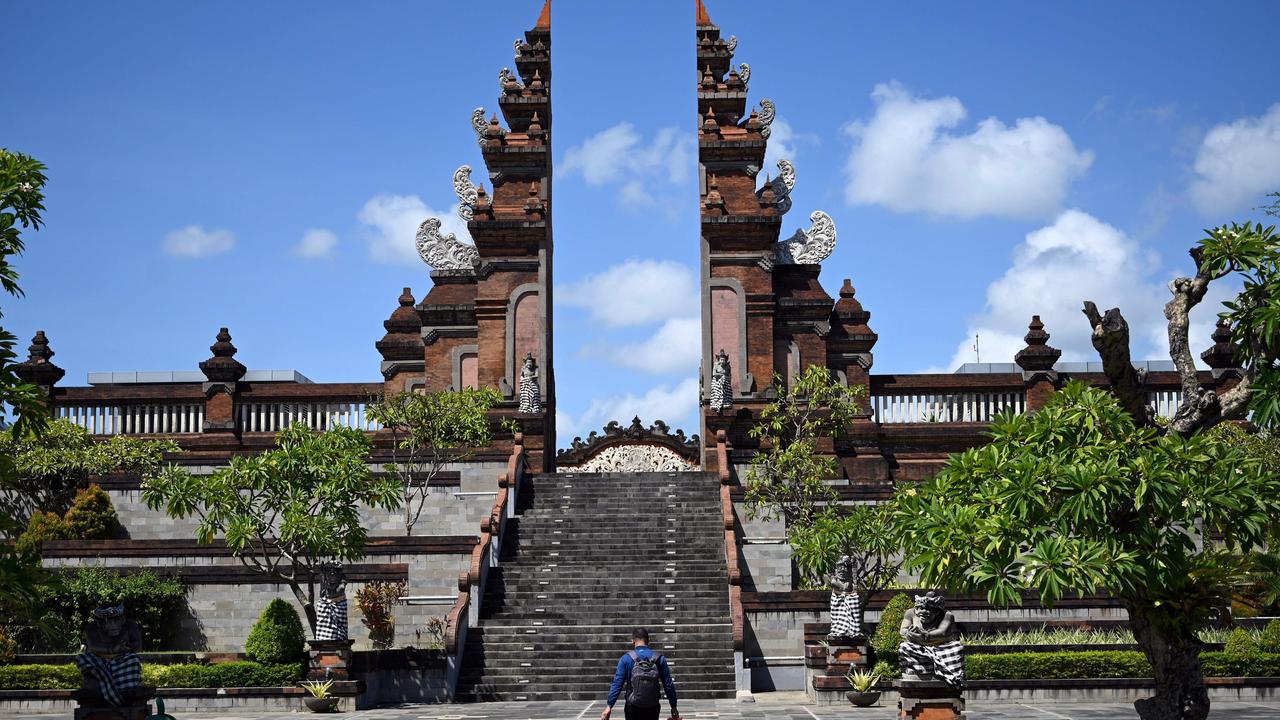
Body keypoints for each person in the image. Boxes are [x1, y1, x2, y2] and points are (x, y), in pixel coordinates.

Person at [600, 628, 680, 720]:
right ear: (648, 641)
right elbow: (668, 684)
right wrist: (673, 706)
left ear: (633, 641)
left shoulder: (626, 658)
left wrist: (609, 706)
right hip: (652, 706)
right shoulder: (659, 658)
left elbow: (617, 684)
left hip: (632, 706)